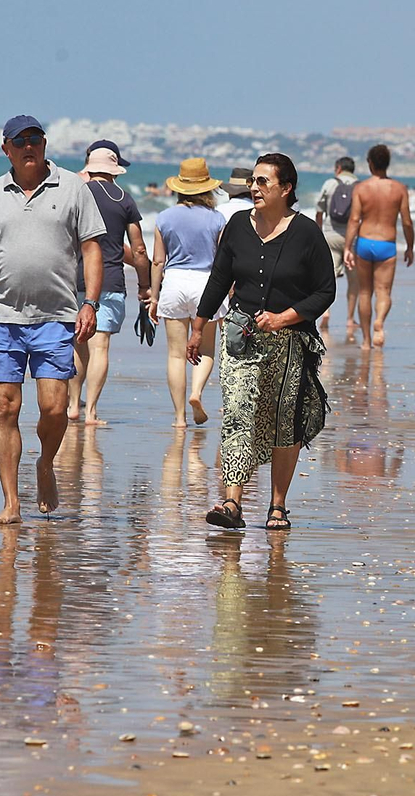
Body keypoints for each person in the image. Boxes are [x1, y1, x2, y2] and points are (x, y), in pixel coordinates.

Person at [0, 115, 104, 525]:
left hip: (57, 316)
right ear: (6, 148)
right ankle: (11, 502)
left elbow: (92, 249)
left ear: (44, 144)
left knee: (55, 408)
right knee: (5, 408)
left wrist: (90, 302)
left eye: (35, 139)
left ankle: (45, 463)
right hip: (1, 318)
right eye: (19, 141)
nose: (28, 146)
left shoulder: (73, 188)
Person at [189, 153, 335, 531]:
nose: (254, 188)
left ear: (286, 188)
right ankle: (232, 503)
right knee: (237, 414)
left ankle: (278, 506)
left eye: (263, 182)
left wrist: (285, 318)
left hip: (289, 343)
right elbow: (219, 279)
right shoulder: (237, 225)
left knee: (283, 423)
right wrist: (199, 325)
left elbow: (326, 291)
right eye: (252, 181)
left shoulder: (306, 233)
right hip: (241, 334)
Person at [66, 143, 151, 426]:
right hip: (112, 278)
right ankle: (90, 411)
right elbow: (138, 250)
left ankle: (72, 407)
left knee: (80, 343)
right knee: (100, 346)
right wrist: (144, 285)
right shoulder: (125, 200)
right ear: (114, 170)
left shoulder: (77, 193)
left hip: (77, 277)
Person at [151, 158, 227, 428]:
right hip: (206, 283)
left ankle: (179, 418)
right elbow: (222, 261)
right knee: (205, 349)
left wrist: (153, 295)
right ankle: (196, 393)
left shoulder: (164, 217)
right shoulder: (217, 219)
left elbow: (158, 260)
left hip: (174, 282)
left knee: (175, 354)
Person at [342, 144, 414, 349]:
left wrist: (348, 247)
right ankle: (379, 320)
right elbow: (407, 222)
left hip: (364, 243)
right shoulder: (399, 189)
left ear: (370, 163)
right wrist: (410, 246)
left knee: (365, 292)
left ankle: (365, 341)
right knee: (383, 292)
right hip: (387, 244)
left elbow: (354, 220)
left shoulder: (361, 188)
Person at [314, 156, 360, 338]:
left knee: (328, 277)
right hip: (353, 238)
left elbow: (319, 209)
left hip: (330, 234)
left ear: (338, 168)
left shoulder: (330, 183)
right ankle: (350, 318)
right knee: (353, 281)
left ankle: (325, 312)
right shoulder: (361, 186)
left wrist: (318, 232)